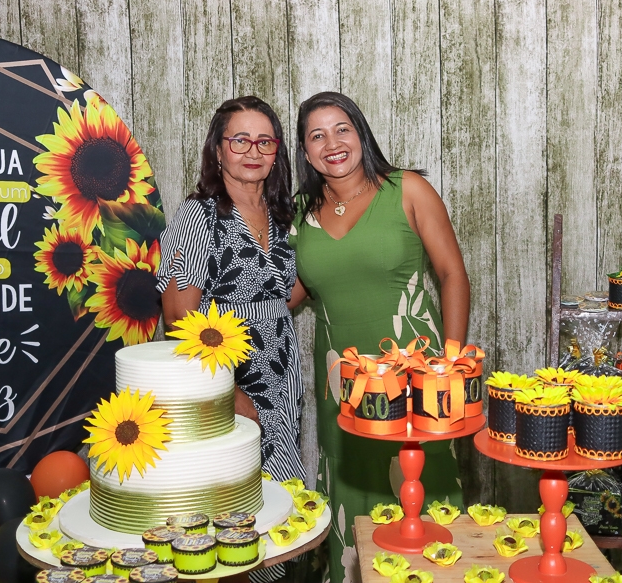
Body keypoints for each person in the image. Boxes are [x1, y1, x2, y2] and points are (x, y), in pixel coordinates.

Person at [288, 91, 470, 583]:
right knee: (353, 489)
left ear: (361, 133)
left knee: (421, 486)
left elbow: (452, 274)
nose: (332, 143)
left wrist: (451, 366)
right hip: (342, 382)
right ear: (305, 152)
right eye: (317, 136)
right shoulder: (301, 212)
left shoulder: (407, 189)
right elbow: (289, 293)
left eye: (341, 129)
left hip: (416, 374)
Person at [157, 95, 306, 488]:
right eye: (240, 140)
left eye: (264, 142)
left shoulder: (283, 216)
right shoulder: (198, 215)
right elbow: (177, 318)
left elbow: (282, 298)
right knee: (236, 496)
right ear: (218, 150)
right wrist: (228, 391)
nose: (253, 152)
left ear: (276, 152)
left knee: (284, 499)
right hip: (228, 380)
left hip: (283, 379)